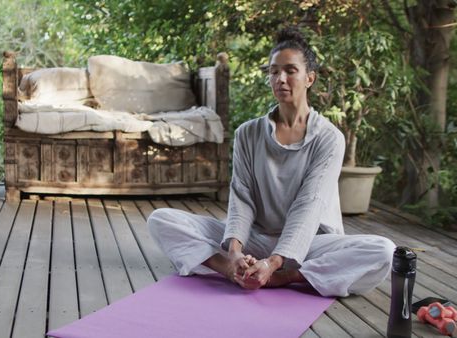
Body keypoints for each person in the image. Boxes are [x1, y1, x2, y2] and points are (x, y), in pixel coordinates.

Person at [147, 27, 395, 297]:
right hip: (256, 239)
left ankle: (285, 278)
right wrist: (234, 254)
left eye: (290, 70)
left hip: (309, 243)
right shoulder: (248, 133)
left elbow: (308, 207)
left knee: (384, 251)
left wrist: (275, 262)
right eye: (274, 71)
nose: (281, 79)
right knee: (161, 219)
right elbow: (242, 198)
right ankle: (231, 271)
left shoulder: (329, 138)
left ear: (309, 78)